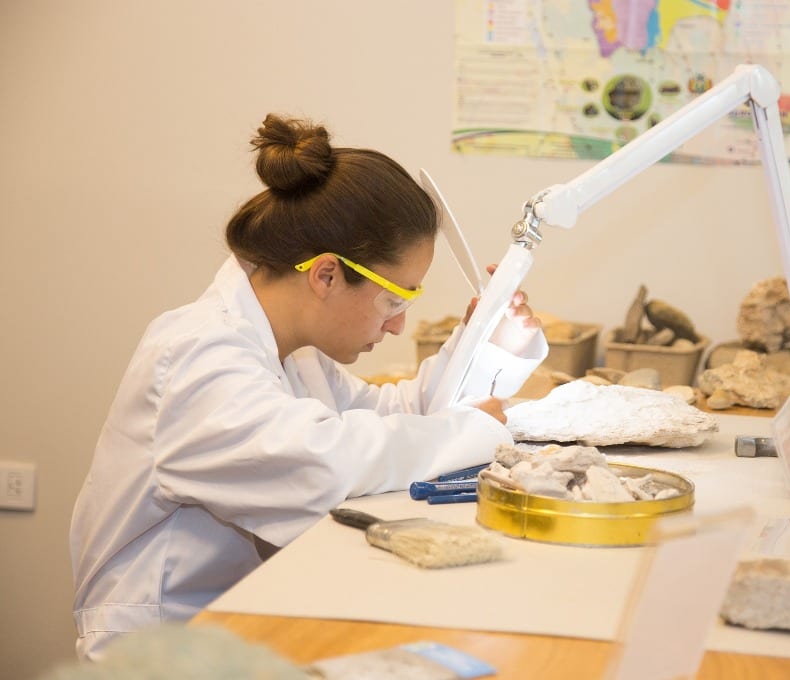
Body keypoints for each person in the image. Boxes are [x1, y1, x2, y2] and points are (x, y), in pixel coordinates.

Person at [69, 114, 548, 661]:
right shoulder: (196, 358)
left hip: (239, 628)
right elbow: (328, 464)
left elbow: (395, 414)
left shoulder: (290, 353)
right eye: (395, 302)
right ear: (325, 275)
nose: (397, 327)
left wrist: (489, 343)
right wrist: (479, 429)